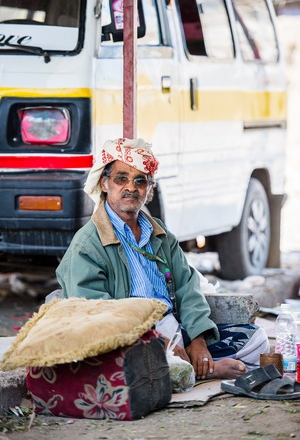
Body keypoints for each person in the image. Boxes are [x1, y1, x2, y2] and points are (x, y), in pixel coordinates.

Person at [56, 137, 269, 380]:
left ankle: (187, 368)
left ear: (149, 189)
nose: (131, 187)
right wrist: (158, 342)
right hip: (131, 337)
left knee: (256, 340)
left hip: (173, 328)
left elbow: (188, 287)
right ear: (104, 184)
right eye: (121, 179)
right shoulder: (88, 244)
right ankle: (193, 370)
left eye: (140, 181)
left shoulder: (159, 233)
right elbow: (97, 314)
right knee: (125, 364)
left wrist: (198, 340)